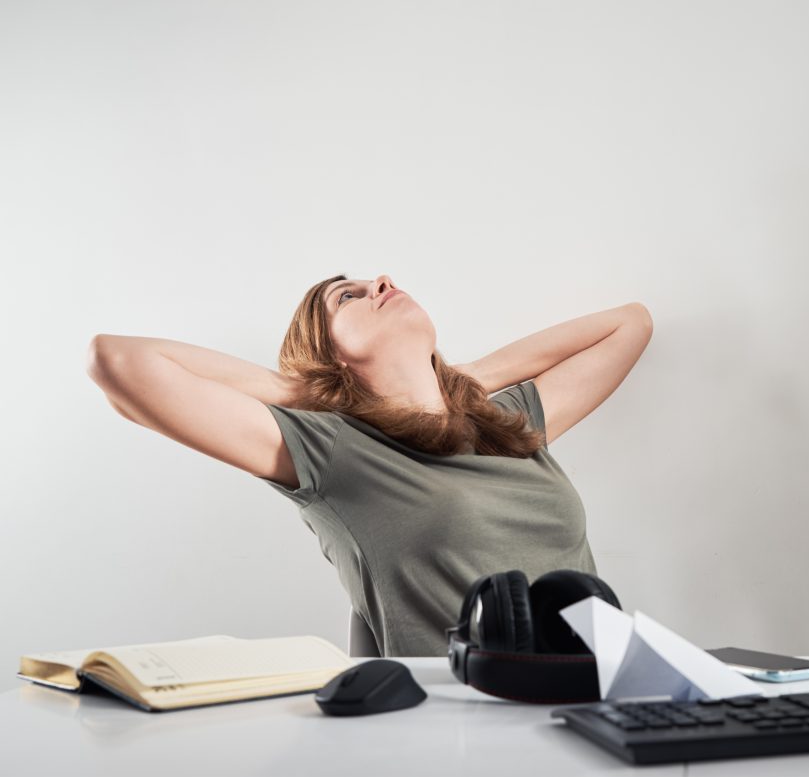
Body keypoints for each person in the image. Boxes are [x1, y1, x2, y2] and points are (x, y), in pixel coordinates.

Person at [85, 273, 653, 655]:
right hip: (459, 731)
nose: (380, 281)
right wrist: (308, 391)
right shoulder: (334, 449)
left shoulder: (508, 425)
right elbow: (118, 361)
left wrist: (465, 379)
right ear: (328, 353)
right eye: (347, 298)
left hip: (601, 701)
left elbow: (630, 323)